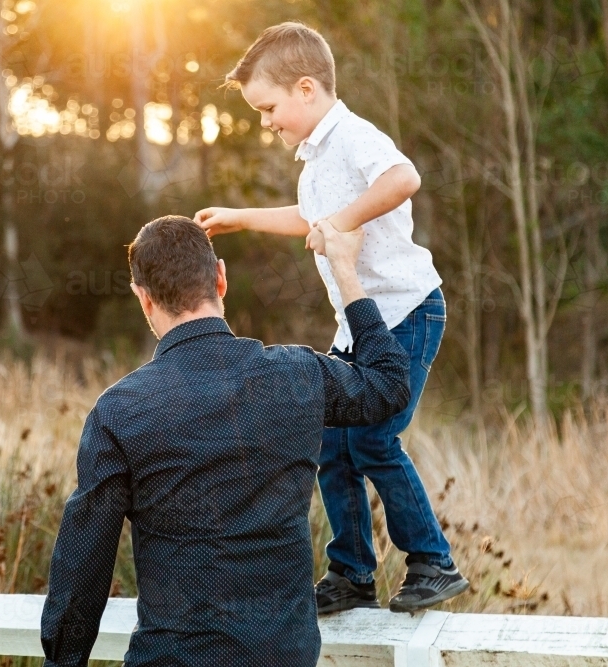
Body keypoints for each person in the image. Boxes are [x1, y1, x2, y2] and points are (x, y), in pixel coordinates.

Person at [40, 215, 410, 666]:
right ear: (220, 277)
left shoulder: (120, 413)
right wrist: (345, 272)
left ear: (143, 299)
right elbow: (389, 385)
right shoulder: (297, 375)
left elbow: (82, 573)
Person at [194, 22, 468, 614]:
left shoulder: (352, 135)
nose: (266, 122)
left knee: (372, 438)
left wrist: (342, 224)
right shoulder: (314, 157)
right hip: (359, 325)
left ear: (306, 89)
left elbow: (404, 179)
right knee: (330, 442)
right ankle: (351, 573)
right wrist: (242, 216)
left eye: (268, 108)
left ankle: (433, 561)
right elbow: (310, 216)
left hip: (407, 311)